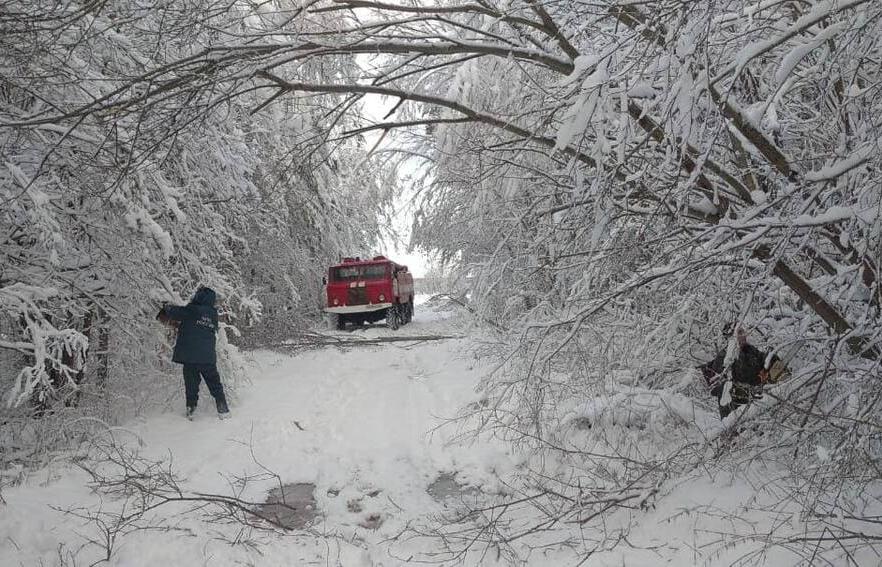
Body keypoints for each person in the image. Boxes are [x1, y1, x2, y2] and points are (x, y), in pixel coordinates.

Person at [157, 286, 230, 419]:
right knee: (215, 384)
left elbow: (173, 312)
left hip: (189, 356)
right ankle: (223, 408)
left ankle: (191, 410)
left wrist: (165, 306)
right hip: (207, 357)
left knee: (191, 385)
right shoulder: (213, 314)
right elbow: (198, 327)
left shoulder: (191, 310)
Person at [699, 326, 787, 418]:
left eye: (743, 332)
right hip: (734, 409)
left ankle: (785, 380)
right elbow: (741, 376)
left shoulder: (749, 350)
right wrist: (760, 377)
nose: (743, 335)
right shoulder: (724, 358)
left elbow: (762, 358)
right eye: (740, 333)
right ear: (732, 338)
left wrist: (771, 359)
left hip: (753, 401)